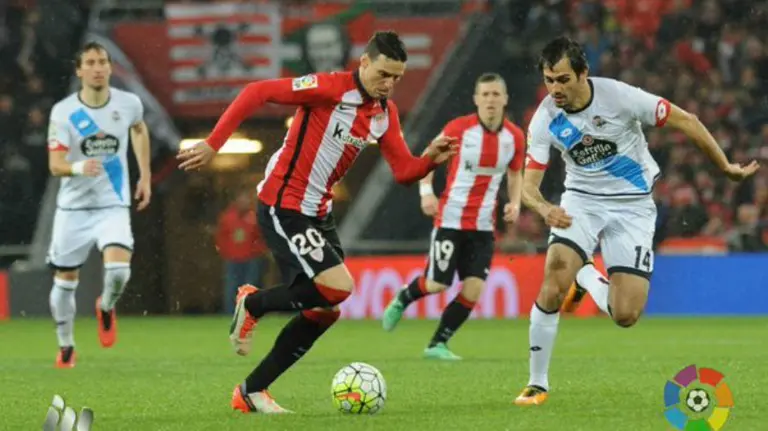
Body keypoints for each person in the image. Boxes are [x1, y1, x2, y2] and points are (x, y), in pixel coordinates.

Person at [177, 30, 457, 414]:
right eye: (383, 74)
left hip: (317, 213)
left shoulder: (383, 114)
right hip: (283, 203)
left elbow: (404, 171)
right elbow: (256, 91)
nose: (389, 84)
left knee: (326, 309)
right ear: (363, 62)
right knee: (338, 287)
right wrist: (215, 142)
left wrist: (430, 159)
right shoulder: (328, 88)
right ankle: (254, 303)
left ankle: (251, 392)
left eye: (397, 78)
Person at [514, 36, 760, 406]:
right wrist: (545, 208)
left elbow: (687, 120)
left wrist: (724, 166)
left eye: (563, 79)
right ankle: (537, 382)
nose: (555, 89)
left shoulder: (619, 97)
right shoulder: (545, 118)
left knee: (625, 314)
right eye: (549, 80)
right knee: (552, 281)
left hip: (633, 206)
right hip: (582, 201)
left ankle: (585, 276)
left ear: (584, 73)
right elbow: (527, 187)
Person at [380, 73, 525, 360]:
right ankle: (404, 297)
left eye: (496, 94)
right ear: (476, 99)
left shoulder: (515, 137)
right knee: (437, 284)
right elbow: (430, 156)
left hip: (484, 226)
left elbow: (515, 172)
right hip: (451, 220)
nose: (491, 100)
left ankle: (437, 344)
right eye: (485, 95)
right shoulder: (459, 129)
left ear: (505, 99)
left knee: (474, 288)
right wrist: (426, 192)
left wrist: (516, 203)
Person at [46, 41, 151, 368]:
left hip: (112, 205)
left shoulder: (128, 103)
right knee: (65, 282)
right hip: (73, 210)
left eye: (102, 61)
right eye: (90, 62)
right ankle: (66, 346)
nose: (98, 67)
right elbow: (55, 164)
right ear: (79, 70)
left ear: (109, 66)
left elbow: (139, 129)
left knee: (119, 270)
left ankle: (106, 306)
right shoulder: (64, 112)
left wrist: (144, 176)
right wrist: (79, 167)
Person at [215, 187, 269, 314]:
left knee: (250, 288)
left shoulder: (254, 217)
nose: (244, 201)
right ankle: (230, 314)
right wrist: (224, 252)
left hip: (251, 259)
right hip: (232, 259)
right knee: (231, 288)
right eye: (242, 198)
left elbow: (262, 237)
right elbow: (220, 237)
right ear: (236, 200)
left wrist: (259, 252)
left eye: (246, 199)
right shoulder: (227, 217)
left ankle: (248, 314)